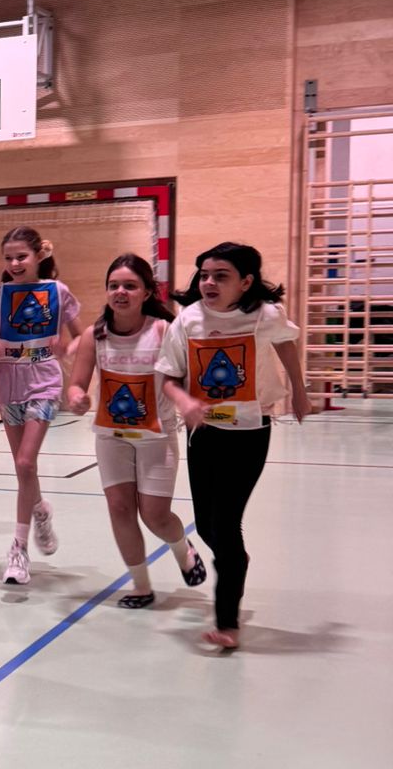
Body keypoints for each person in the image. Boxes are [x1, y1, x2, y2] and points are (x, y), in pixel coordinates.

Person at [158, 241, 308, 651]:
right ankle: (235, 559)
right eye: (204, 275)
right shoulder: (188, 320)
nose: (208, 283)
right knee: (206, 525)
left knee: (225, 524)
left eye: (220, 276)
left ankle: (228, 622)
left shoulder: (265, 315)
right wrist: (185, 401)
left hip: (249, 432)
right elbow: (168, 377)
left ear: (245, 282)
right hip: (203, 432)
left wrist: (298, 389)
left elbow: (286, 343)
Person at [67, 254, 206, 608]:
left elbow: (182, 378)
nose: (120, 292)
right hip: (111, 438)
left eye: (130, 285)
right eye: (114, 285)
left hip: (156, 438)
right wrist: (77, 396)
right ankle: (141, 586)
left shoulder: (163, 331)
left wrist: (189, 403)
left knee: (155, 516)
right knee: (120, 509)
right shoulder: (94, 335)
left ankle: (182, 549)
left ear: (146, 292)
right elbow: (77, 383)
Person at [0, 225, 81, 587]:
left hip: (45, 383)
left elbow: (81, 337)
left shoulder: (58, 292)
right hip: (9, 384)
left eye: (21, 256)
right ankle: (40, 509)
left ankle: (18, 549)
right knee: (24, 470)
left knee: (25, 462)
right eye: (8, 258)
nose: (15, 263)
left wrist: (66, 350)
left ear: (39, 255)